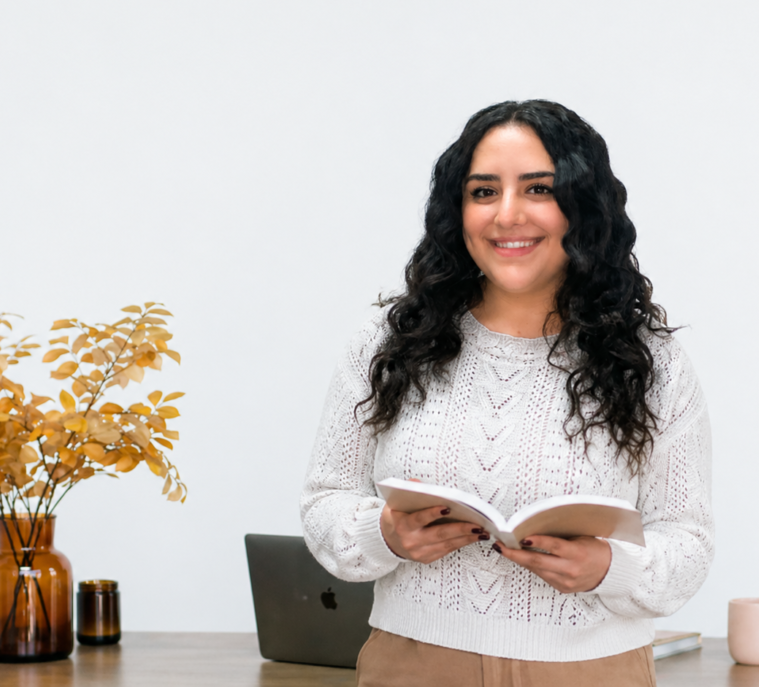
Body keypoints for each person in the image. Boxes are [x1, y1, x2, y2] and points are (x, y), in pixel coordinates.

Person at [301, 100, 713, 686]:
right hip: (412, 666)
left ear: (582, 207)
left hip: (592, 672)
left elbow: (689, 543)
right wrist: (384, 534)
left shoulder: (653, 365)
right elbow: (325, 500)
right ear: (457, 209)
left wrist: (609, 568)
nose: (507, 215)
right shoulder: (388, 344)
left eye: (539, 189)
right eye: (484, 191)